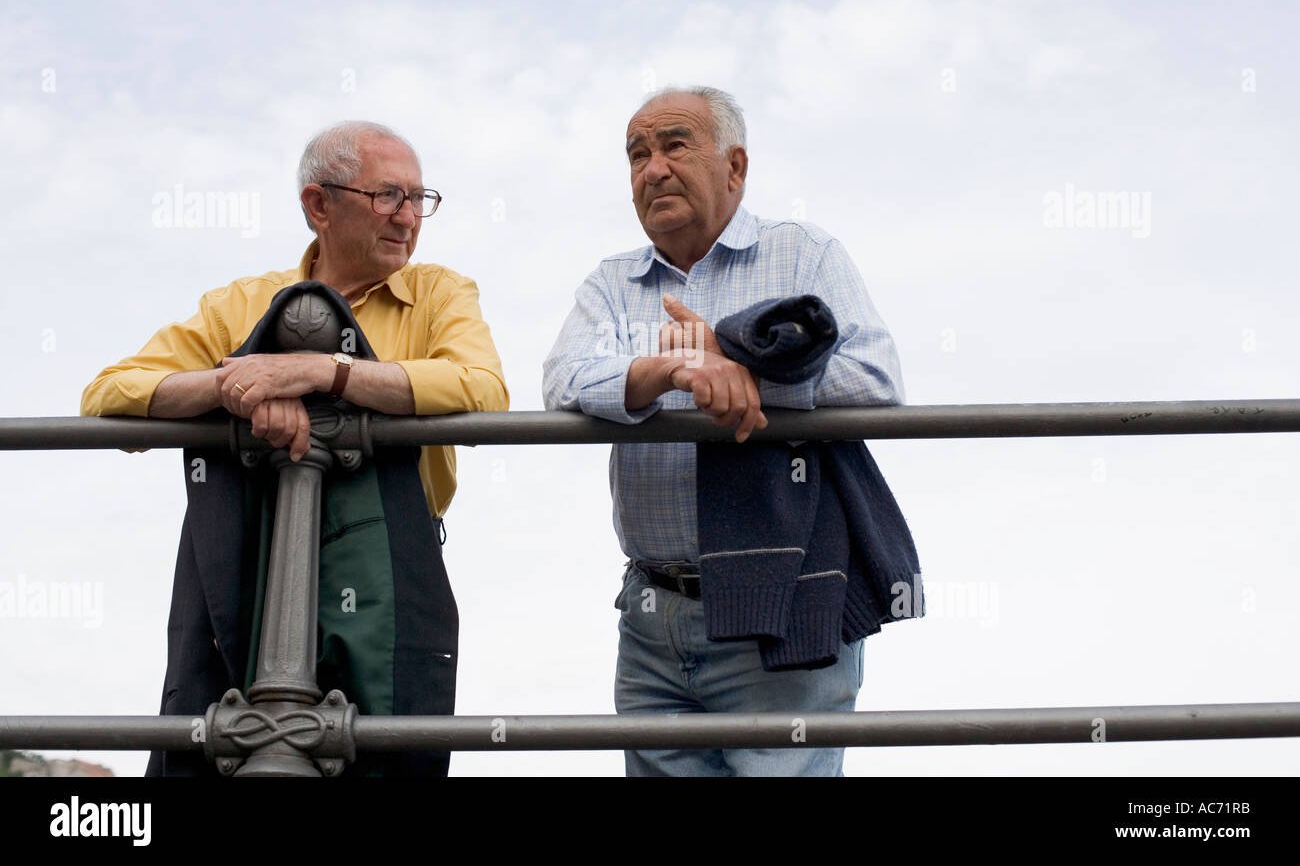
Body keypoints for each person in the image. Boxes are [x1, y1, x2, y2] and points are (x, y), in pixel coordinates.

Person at [82, 120, 509, 775]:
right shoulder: (240, 303)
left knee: (396, 742)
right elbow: (109, 393)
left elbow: (482, 391)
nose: (409, 218)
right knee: (205, 725)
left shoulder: (440, 291)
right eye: (389, 196)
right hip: (244, 545)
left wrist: (319, 373)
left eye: (420, 199)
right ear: (319, 206)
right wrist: (236, 388)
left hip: (392, 556)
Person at [543, 86, 906, 776]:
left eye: (674, 145)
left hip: (785, 604)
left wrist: (743, 365)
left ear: (735, 166)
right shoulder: (612, 282)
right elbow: (564, 379)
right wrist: (674, 370)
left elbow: (876, 379)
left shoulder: (804, 253)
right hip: (651, 612)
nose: (652, 169)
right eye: (636, 155)